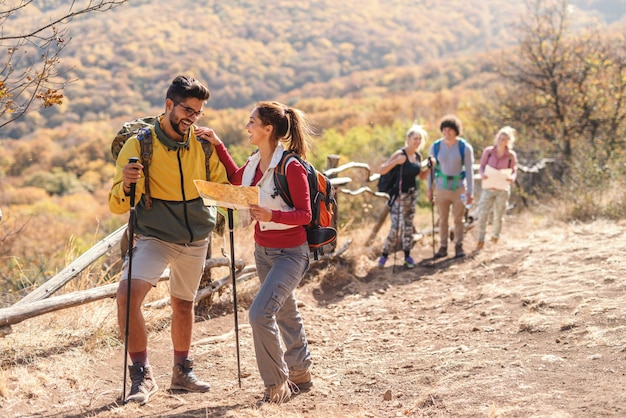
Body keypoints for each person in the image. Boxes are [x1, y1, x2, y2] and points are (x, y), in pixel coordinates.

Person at [108, 75, 229, 405]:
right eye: (187, 109)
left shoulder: (203, 144)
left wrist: (214, 212)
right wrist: (128, 183)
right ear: (169, 105)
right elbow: (117, 202)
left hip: (196, 238)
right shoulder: (140, 144)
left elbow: (222, 186)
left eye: (198, 112)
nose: (192, 117)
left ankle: (181, 372)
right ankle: (142, 375)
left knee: (183, 304)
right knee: (127, 296)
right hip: (155, 235)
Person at [197, 101, 313, 405]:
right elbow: (237, 180)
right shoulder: (254, 162)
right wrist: (218, 144)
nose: (247, 127)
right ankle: (300, 372)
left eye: (252, 122)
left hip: (291, 253)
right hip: (264, 252)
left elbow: (305, 214)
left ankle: (277, 384)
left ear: (268, 129)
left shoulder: (291, 166)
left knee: (260, 313)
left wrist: (271, 216)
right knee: (285, 310)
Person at [377, 124, 433, 268]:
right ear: (408, 139)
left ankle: (407, 256)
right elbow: (382, 170)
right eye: (415, 138)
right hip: (398, 196)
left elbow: (420, 176)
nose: (417, 141)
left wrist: (430, 168)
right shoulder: (400, 154)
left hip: (412, 195)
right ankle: (384, 255)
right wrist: (396, 162)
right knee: (396, 227)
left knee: (408, 226)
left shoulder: (418, 156)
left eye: (419, 139)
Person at [427, 114, 475, 259]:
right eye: (444, 130)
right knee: (443, 219)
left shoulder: (464, 147)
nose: (447, 133)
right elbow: (431, 169)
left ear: (456, 130)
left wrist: (470, 191)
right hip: (441, 187)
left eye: (450, 130)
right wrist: (430, 188)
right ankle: (443, 246)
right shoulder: (435, 147)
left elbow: (469, 170)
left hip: (459, 187)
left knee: (458, 219)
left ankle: (459, 246)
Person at [475, 126, 518, 250]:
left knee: (498, 214)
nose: (501, 141)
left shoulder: (510, 155)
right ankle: (480, 239)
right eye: (499, 138)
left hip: (502, 188)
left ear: (508, 141)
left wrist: (512, 178)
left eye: (504, 139)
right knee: (483, 213)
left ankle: (495, 237)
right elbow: (482, 166)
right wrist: (482, 174)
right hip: (488, 187)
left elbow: (514, 170)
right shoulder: (488, 152)